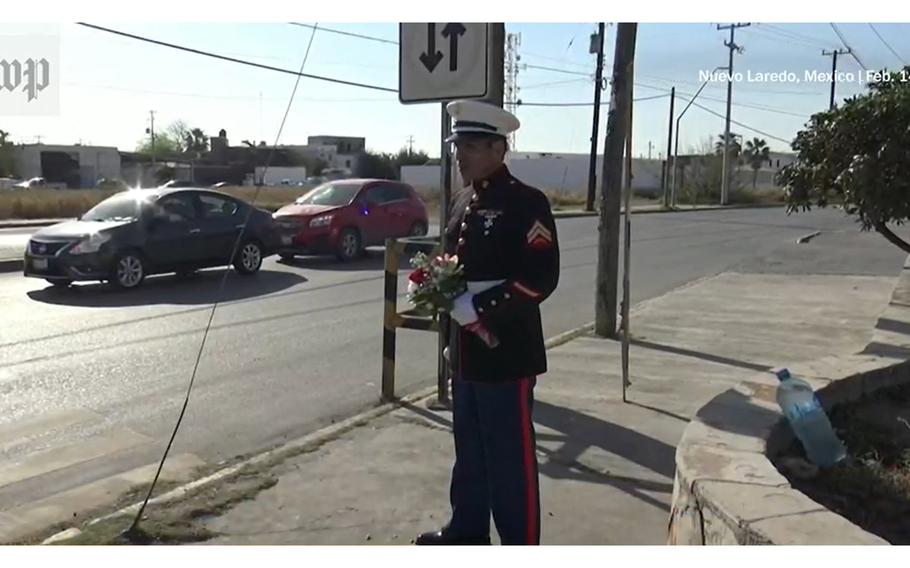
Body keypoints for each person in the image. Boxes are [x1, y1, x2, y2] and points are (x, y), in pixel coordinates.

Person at [416, 100, 560, 546]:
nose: (462, 155)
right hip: (466, 351)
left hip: (506, 350)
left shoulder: (525, 202)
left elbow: (540, 278)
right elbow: (453, 266)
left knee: (509, 457)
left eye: (473, 147)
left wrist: (481, 308)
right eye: (459, 146)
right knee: (471, 449)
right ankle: (467, 530)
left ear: (500, 149)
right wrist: (438, 291)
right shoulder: (462, 201)